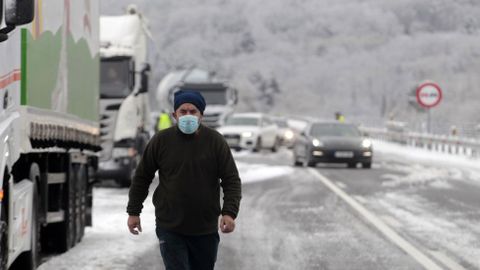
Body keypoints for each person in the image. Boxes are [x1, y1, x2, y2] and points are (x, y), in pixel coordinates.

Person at [127, 90, 242, 270]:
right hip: (170, 226)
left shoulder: (215, 142)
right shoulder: (161, 141)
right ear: (175, 115)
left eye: (193, 111)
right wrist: (134, 211)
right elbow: (142, 177)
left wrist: (229, 212)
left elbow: (231, 180)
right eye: (183, 111)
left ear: (201, 115)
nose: (188, 115)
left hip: (205, 229)